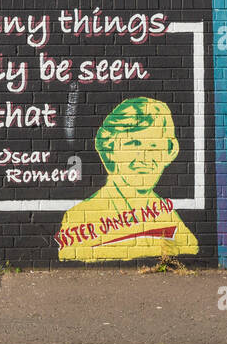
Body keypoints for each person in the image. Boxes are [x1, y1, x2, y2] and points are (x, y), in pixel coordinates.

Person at [56, 97, 198, 262]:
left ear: (168, 153)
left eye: (154, 146)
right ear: (110, 149)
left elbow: (190, 251)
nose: (144, 158)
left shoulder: (168, 216)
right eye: (134, 144)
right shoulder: (78, 218)